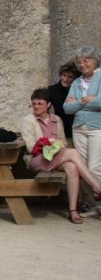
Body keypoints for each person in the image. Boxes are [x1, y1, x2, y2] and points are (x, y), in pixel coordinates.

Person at [21, 88, 101, 224]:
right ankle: (96, 186)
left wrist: (55, 144)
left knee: (72, 167)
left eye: (40, 103)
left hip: (56, 158)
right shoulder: (28, 120)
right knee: (73, 152)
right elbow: (30, 147)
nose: (36, 106)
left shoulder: (57, 119)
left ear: (48, 104)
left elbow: (63, 142)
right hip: (38, 160)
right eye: (34, 104)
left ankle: (73, 210)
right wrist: (51, 141)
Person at [64, 45, 101, 216]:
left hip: (97, 128)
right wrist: (85, 101)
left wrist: (78, 103)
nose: (82, 64)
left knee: (94, 167)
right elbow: (67, 108)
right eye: (79, 62)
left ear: (95, 61)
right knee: (83, 168)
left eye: (86, 60)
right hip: (78, 128)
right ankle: (94, 206)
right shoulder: (77, 82)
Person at [48, 60, 80, 140]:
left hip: (76, 128)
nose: (65, 79)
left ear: (74, 78)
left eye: (70, 77)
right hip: (59, 128)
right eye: (64, 75)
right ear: (60, 75)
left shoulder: (78, 91)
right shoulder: (52, 90)